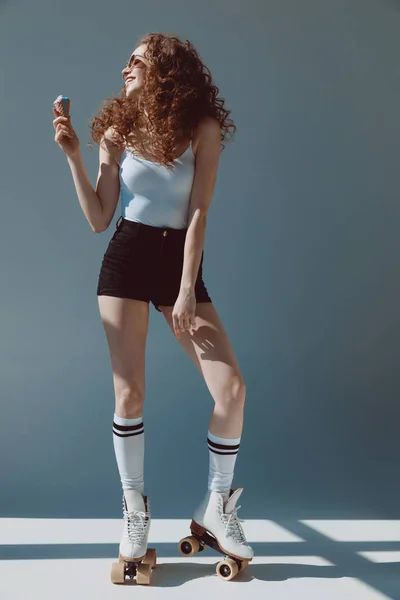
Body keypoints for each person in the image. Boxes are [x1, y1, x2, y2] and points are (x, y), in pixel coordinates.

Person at [53, 32, 253, 567]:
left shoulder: (200, 130)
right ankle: (135, 509)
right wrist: (77, 156)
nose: (126, 68)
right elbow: (100, 218)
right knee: (130, 397)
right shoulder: (117, 130)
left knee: (230, 389)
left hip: (178, 264)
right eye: (125, 61)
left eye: (136, 60)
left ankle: (216, 507)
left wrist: (186, 289)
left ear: (164, 68)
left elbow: (199, 213)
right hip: (127, 257)